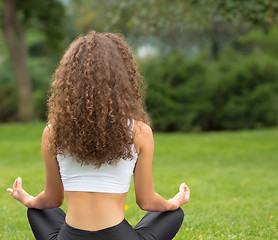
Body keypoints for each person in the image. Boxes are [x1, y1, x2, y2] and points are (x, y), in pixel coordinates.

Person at [7, 31, 190, 240]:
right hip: (118, 236)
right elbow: (147, 202)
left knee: (39, 210)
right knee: (173, 214)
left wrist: (28, 200)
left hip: (70, 237)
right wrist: (175, 202)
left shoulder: (52, 132)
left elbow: (51, 200)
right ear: (123, 78)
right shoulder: (140, 132)